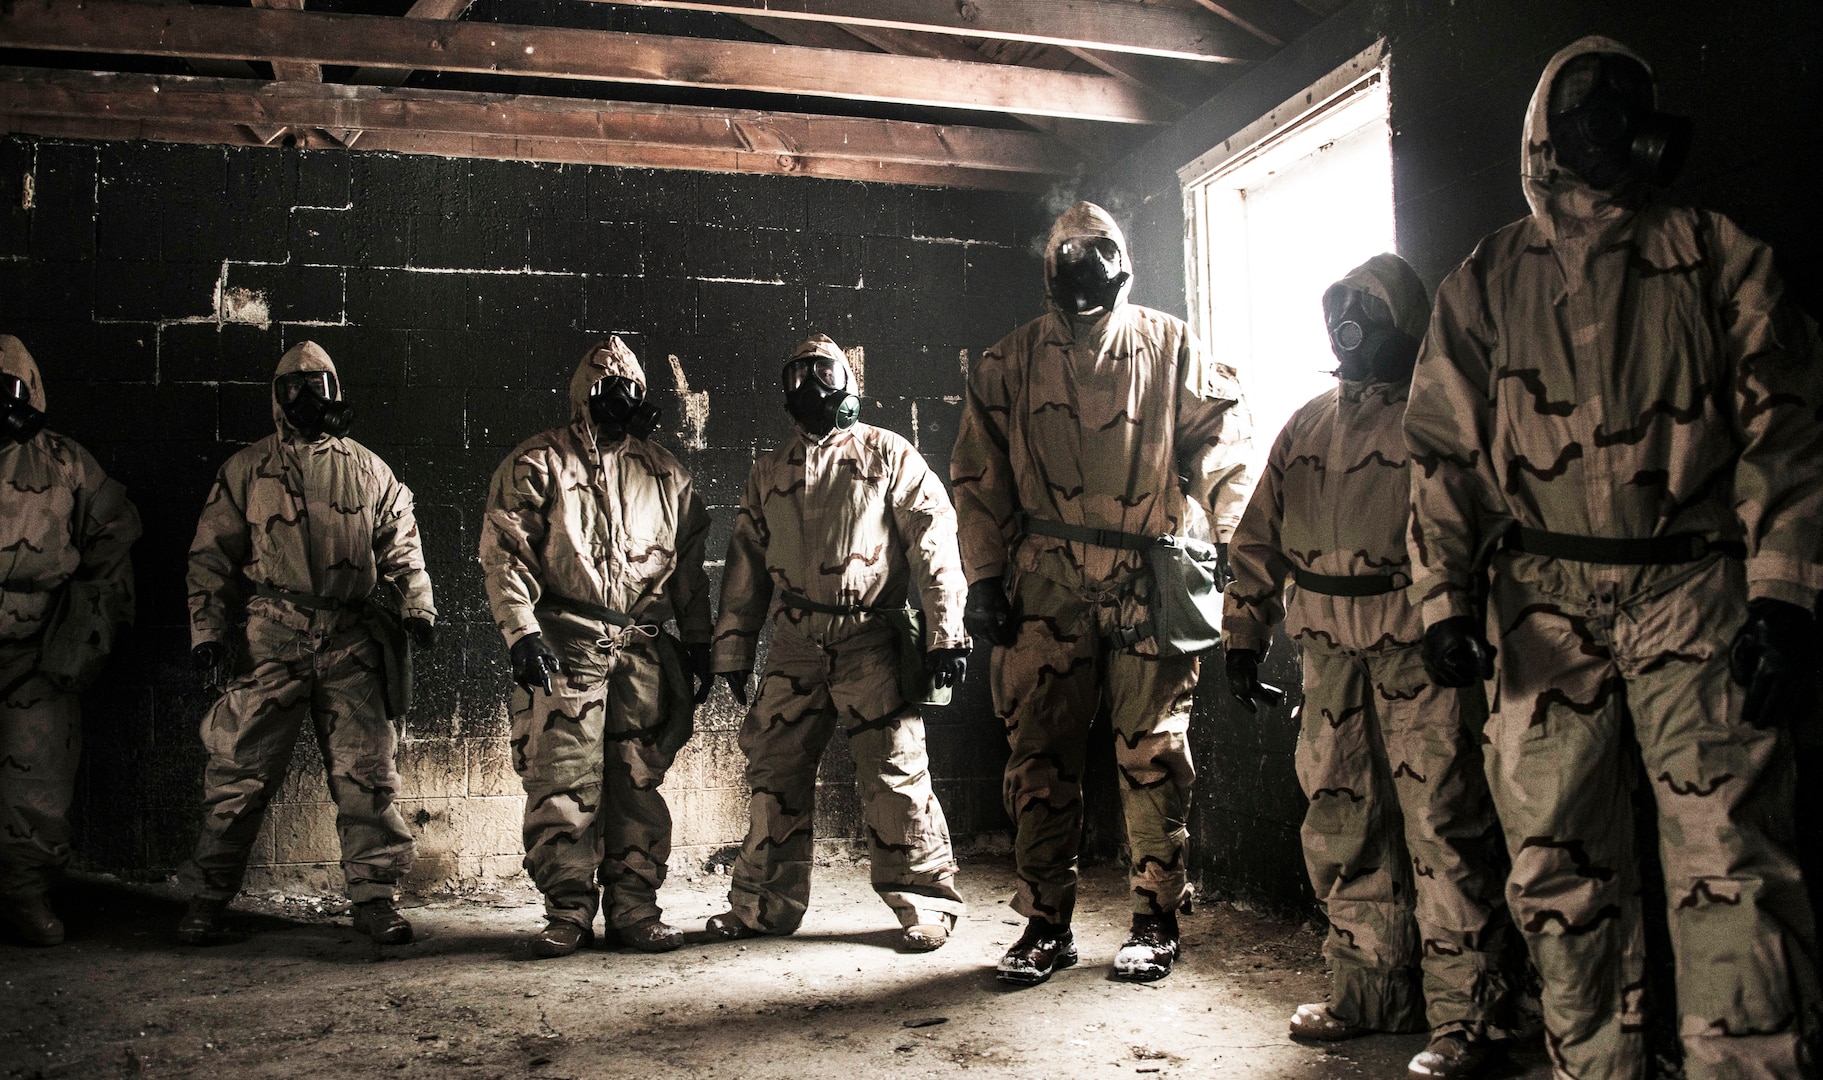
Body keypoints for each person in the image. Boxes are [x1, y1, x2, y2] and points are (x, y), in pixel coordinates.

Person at [1404, 36, 1823, 1079]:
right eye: (1590, 109)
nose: (1609, 128)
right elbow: (1441, 454)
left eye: (1626, 107)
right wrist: (1441, 603)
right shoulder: (1488, 280)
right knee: (1552, 864)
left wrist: (1781, 594)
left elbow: (1787, 431)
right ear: (1549, 128)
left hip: (1692, 590)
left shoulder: (1717, 256)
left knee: (1729, 862)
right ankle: (1596, 1065)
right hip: (1538, 602)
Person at [1224, 256, 1519, 1078]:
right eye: (1339, 309)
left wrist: (1460, 621)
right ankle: (1368, 991)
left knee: (1443, 828)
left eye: (1368, 310)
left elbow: (1476, 528)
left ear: (1406, 323)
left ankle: (1468, 1016)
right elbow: (1256, 537)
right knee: (1341, 823)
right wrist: (1241, 634)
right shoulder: (1308, 423)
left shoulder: (1438, 420)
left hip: (1416, 650)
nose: (1348, 324)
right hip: (1328, 657)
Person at [951, 201, 1253, 984]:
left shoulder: (1172, 344)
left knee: (1153, 749)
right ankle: (1045, 922)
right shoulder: (1007, 362)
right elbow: (978, 481)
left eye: (1098, 249)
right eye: (1066, 251)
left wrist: (1232, 549)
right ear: (1046, 265)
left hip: (1149, 574)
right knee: (1037, 752)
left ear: (1122, 261)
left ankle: (1155, 917)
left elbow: (1224, 452)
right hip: (1045, 580)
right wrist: (982, 577)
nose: (1081, 263)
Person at [708, 334, 969, 952]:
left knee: (895, 773)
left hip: (871, 637)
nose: (809, 386)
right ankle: (763, 904)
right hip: (796, 641)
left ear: (849, 381)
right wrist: (733, 650)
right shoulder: (770, 471)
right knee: (774, 770)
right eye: (796, 375)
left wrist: (946, 630)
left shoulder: (888, 454)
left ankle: (926, 902)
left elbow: (934, 540)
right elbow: (743, 563)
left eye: (822, 373)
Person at [178, 340, 436, 946]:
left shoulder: (369, 470)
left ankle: (375, 900)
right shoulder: (245, 471)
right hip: (273, 637)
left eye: (318, 388)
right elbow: (208, 559)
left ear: (334, 392)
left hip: (350, 639)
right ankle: (208, 899)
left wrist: (417, 609)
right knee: (238, 773)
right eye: (293, 389)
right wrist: (209, 634)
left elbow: (403, 546)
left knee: (368, 776)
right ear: (277, 397)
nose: (305, 400)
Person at [481, 337, 713, 958]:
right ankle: (568, 909)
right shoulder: (538, 463)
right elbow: (506, 553)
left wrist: (700, 640)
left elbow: (689, 570)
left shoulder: (667, 475)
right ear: (584, 389)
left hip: (640, 649)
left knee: (638, 779)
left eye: (632, 387)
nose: (620, 397)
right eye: (607, 385)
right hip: (566, 648)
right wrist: (521, 631)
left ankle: (635, 907)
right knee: (562, 780)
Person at [0, 334, 140, 947]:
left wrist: (91, 625)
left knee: (38, 776)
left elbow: (114, 538)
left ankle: (24, 893)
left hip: (37, 655)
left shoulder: (64, 463)